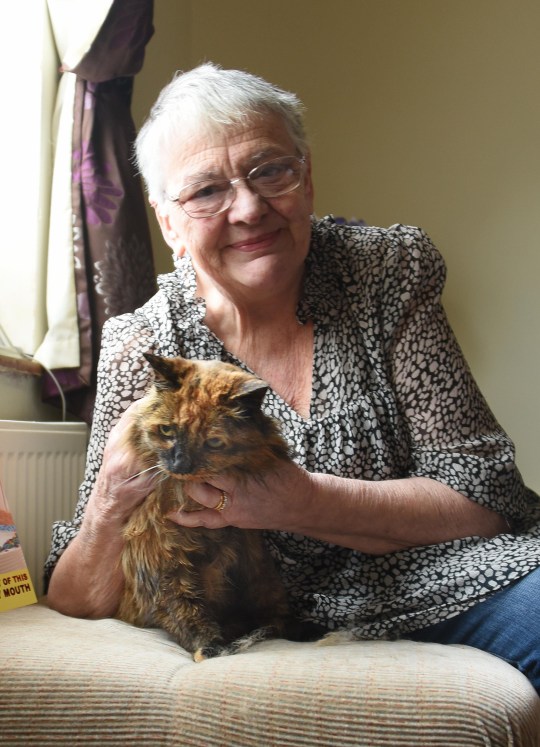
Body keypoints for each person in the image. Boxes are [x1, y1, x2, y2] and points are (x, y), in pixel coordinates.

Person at [45, 63, 540, 692]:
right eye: (205, 191)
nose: (250, 209)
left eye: (270, 171)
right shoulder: (143, 347)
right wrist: (110, 506)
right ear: (168, 222)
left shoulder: (384, 271)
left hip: (450, 575)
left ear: (306, 179)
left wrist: (299, 501)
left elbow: (484, 494)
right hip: (262, 613)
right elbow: (74, 594)